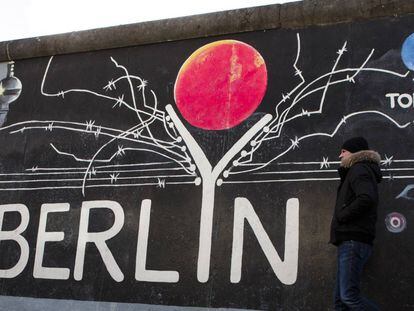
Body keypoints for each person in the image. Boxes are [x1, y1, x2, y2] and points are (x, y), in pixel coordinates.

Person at [330, 137, 382, 310]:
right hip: (350, 240)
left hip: (354, 240)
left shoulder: (359, 169)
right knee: (340, 301)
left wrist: (342, 215)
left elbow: (366, 198)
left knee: (349, 297)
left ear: (354, 152)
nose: (340, 155)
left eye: (343, 151)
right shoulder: (357, 171)